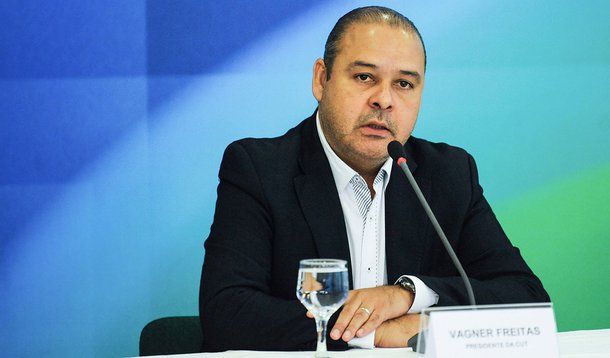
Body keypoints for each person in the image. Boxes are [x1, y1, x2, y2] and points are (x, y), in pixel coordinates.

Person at [199, 6, 549, 352]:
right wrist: (374, 335)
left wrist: (407, 295)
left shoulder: (449, 173)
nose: (384, 99)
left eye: (404, 83)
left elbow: (527, 298)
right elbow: (227, 314)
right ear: (322, 79)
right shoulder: (259, 169)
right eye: (364, 77)